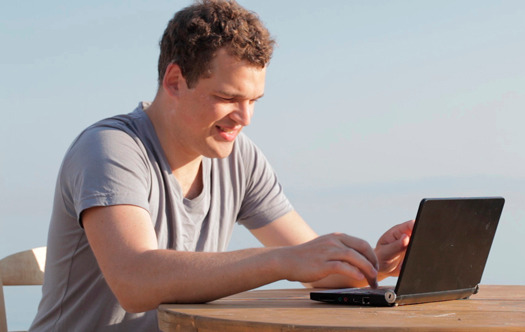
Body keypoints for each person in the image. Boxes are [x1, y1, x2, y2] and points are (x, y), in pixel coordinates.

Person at [30, 0, 414, 331]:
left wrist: (371, 262)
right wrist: (280, 261)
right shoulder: (110, 148)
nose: (244, 118)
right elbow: (135, 283)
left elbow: (310, 264)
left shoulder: (239, 158)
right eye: (227, 97)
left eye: (254, 100)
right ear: (175, 81)